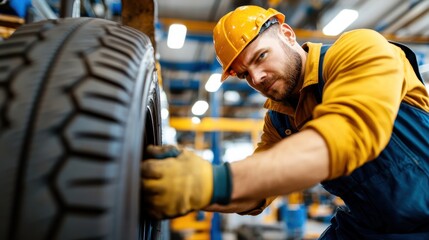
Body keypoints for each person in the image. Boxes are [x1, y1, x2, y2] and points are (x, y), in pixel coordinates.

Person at [141, 5, 429, 239]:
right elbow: (255, 194)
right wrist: (188, 188)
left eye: (261, 56)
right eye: (244, 75)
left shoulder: (357, 50)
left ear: (288, 34)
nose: (256, 78)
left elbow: (348, 134)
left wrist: (212, 182)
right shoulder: (280, 121)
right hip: (368, 225)